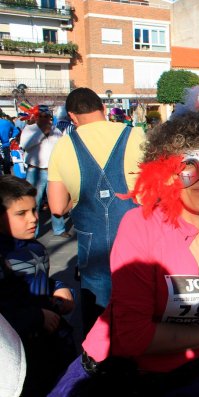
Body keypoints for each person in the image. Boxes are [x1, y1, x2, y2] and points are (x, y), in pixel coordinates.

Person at [50, 108, 199, 396]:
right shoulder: (141, 226)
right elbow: (131, 337)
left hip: (191, 374)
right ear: (167, 172)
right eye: (187, 165)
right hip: (117, 375)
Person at [47, 87, 145, 335]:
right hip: (138, 238)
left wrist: (76, 202)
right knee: (139, 303)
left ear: (72, 116)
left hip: (93, 246)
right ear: (103, 108)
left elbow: (57, 208)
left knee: (98, 312)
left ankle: (99, 363)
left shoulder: (63, 146)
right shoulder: (136, 135)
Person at [0, 175, 76, 396]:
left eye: (34, 210)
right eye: (21, 214)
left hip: (50, 344)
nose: (33, 219)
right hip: (21, 351)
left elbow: (44, 280)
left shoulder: (36, 248)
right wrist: (37, 317)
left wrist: (60, 289)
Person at [19, 105, 68, 238]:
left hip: (53, 171)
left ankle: (59, 229)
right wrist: (42, 134)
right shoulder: (29, 129)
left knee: (55, 201)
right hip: (35, 171)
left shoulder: (55, 130)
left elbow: (61, 147)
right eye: (40, 116)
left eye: (46, 116)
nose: (44, 119)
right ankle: (33, 232)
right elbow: (24, 145)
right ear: (36, 117)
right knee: (34, 202)